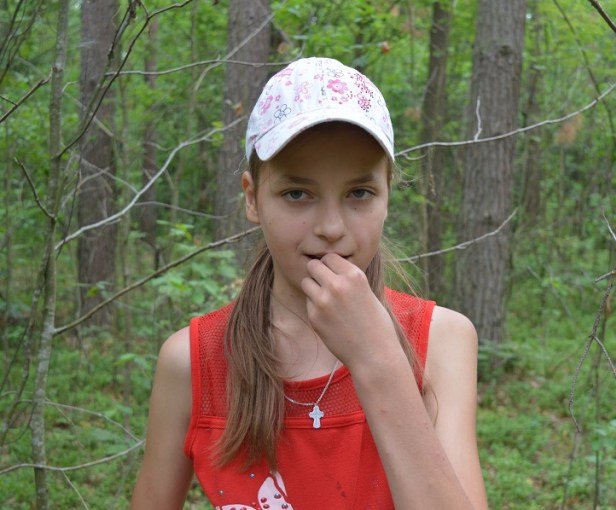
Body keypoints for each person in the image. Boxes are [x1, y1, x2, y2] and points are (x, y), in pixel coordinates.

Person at [131, 57, 487, 509]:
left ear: (387, 196)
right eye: (297, 194)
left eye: (359, 193)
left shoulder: (441, 342)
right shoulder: (193, 361)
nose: (331, 228)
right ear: (252, 198)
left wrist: (377, 359)